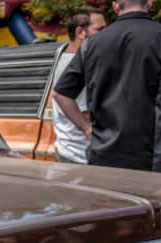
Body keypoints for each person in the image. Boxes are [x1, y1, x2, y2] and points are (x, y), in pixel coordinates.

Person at [52, 0, 161, 175]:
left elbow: (61, 94)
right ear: (149, 3)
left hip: (102, 157)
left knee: (108, 203)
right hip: (150, 159)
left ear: (116, 6)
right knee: (150, 202)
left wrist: (86, 127)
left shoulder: (90, 44)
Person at [51, 8, 107, 164]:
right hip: (81, 154)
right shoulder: (77, 66)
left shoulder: (62, 55)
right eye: (99, 29)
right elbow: (85, 111)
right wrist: (88, 128)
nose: (106, 35)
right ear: (81, 32)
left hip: (67, 149)